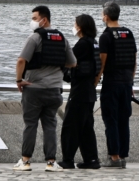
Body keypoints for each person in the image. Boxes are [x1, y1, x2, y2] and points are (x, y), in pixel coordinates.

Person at [14, 5, 77, 172]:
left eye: (34, 19)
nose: (32, 22)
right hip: (54, 90)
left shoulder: (35, 38)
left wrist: (19, 80)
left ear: (44, 20)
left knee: (30, 125)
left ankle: (25, 161)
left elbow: (21, 60)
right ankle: (51, 162)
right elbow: (72, 63)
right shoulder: (62, 38)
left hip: (34, 89)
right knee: (50, 125)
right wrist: (55, 65)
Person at [97, 2, 137, 169]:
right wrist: (131, 81)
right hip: (127, 83)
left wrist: (96, 78)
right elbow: (134, 60)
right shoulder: (128, 33)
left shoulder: (105, 37)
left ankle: (114, 158)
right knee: (123, 120)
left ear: (105, 16)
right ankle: (122, 156)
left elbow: (102, 62)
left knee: (111, 120)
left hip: (111, 83)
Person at [59, 14, 101, 169]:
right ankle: (91, 159)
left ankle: (67, 159)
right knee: (86, 126)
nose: (74, 26)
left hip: (80, 91)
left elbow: (68, 60)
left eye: (75, 24)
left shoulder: (82, 44)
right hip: (90, 90)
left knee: (71, 126)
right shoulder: (94, 43)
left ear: (81, 27)